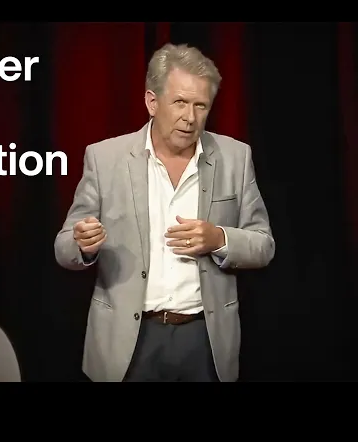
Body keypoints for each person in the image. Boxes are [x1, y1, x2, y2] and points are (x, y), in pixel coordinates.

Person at [54, 43, 275, 382]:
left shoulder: (235, 157)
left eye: (201, 105)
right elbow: (64, 247)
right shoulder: (104, 158)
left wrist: (219, 239)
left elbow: (263, 245)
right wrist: (83, 244)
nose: (190, 117)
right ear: (152, 102)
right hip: (127, 340)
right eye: (180, 102)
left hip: (205, 339)